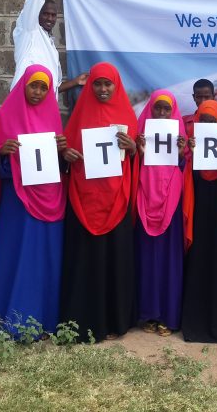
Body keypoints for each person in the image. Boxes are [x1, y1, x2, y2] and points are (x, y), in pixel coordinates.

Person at [0, 64, 66, 336]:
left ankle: (43, 320)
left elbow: (59, 166)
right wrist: (2, 153)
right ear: (23, 85)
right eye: (33, 86)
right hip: (17, 202)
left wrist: (63, 154)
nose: (38, 92)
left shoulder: (54, 118)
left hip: (50, 201)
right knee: (14, 255)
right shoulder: (5, 116)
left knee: (43, 261)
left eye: (43, 87)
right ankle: (7, 319)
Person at [59, 62, 139, 342]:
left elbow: (137, 158)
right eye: (97, 84)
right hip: (84, 200)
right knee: (85, 261)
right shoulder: (79, 115)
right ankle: (81, 319)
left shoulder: (128, 116)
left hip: (116, 200)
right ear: (89, 85)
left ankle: (115, 320)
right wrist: (66, 155)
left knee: (114, 261)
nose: (103, 89)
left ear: (116, 86)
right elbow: (66, 153)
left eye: (108, 84)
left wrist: (132, 150)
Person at [180, 100, 217, 343]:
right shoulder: (190, 146)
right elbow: (185, 177)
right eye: (203, 121)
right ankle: (195, 326)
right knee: (198, 266)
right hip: (199, 215)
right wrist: (190, 153)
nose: (207, 126)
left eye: (212, 122)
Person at [134, 90, 188, 337]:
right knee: (147, 260)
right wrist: (140, 152)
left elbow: (187, 171)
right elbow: (131, 168)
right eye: (158, 109)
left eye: (167, 109)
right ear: (150, 110)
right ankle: (149, 313)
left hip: (172, 202)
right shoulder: (140, 137)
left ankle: (168, 314)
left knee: (169, 261)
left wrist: (180, 155)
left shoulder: (181, 141)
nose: (163, 114)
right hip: (145, 200)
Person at [10, 0, 88, 96]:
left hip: (44, 109)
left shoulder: (49, 45)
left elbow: (52, 88)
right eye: (45, 14)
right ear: (36, 14)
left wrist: (76, 82)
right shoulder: (29, 31)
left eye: (53, 15)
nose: (50, 19)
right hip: (24, 104)